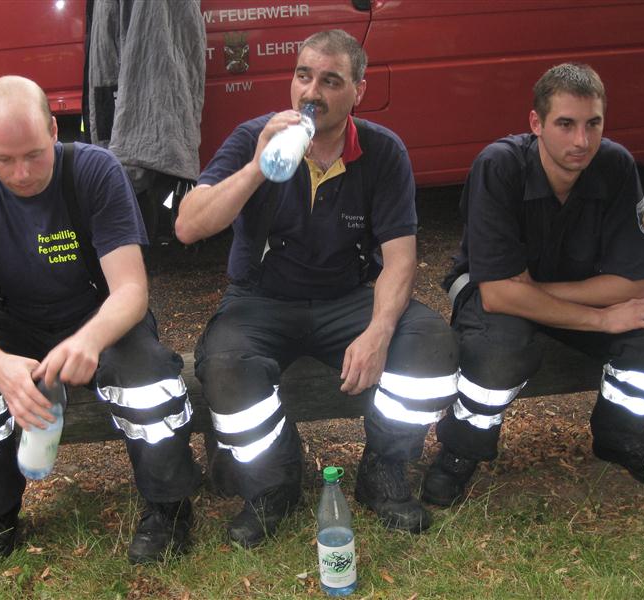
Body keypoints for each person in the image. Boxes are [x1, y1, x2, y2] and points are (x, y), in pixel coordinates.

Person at [175, 30, 459, 548]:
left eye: (331, 81)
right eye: (304, 75)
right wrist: (257, 167)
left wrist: (377, 331)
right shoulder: (255, 137)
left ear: (358, 91)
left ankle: (383, 470)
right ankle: (275, 483)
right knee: (224, 366)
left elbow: (400, 259)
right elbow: (189, 226)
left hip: (346, 296)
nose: (312, 92)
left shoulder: (381, 150)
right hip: (261, 299)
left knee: (430, 346)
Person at [0, 76, 201, 567]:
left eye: (34, 153)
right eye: (3, 159)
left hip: (98, 313)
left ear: (55, 129)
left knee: (147, 380)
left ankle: (168, 506)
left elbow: (131, 290)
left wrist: (90, 340)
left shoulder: (94, 170)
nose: (22, 173)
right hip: (11, 319)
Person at [422, 63, 644, 507]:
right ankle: (460, 450)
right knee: (498, 355)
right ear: (536, 123)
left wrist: (534, 291)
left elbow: (638, 280)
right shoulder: (499, 165)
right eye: (565, 124)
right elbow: (496, 294)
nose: (581, 141)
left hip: (551, 288)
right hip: (489, 291)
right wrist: (600, 317)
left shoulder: (615, 165)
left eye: (593, 124)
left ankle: (619, 436)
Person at [86, 0, 205, 244]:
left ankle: (135, 252)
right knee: (131, 175)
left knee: (132, 176)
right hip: (134, 94)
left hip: (140, 97)